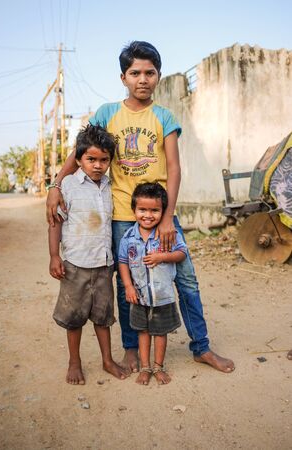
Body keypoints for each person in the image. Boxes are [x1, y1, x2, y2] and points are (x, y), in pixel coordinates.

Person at [46, 40, 235, 374]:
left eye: (150, 72)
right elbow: (81, 152)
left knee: (185, 280)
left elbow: (174, 168)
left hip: (161, 215)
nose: (143, 79)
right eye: (135, 72)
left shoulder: (164, 117)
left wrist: (168, 218)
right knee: (126, 282)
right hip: (122, 216)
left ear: (158, 76)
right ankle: (132, 348)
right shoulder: (107, 113)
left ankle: (201, 347)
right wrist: (56, 184)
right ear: (123, 78)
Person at [48, 124, 127, 385]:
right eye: (91, 159)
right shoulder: (67, 186)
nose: (97, 165)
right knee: (74, 319)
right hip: (75, 264)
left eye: (104, 160)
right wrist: (54, 256)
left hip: (104, 264)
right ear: (79, 158)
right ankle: (75, 362)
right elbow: (55, 223)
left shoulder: (109, 185)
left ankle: (107, 360)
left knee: (103, 317)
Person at [119, 183, 186, 385]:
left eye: (154, 210)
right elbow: (123, 262)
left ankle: (158, 367)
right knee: (143, 331)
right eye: (142, 210)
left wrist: (162, 257)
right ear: (134, 210)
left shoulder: (167, 234)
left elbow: (182, 253)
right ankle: (146, 367)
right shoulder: (128, 237)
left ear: (162, 211)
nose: (148, 215)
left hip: (162, 295)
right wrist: (129, 287)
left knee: (160, 332)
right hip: (139, 296)